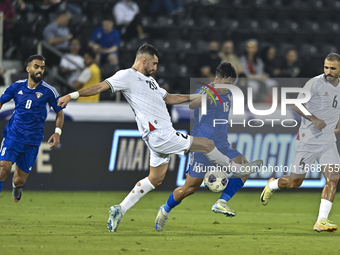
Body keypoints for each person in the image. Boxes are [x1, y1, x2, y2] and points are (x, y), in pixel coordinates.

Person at [57, 44, 263, 233]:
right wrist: (72, 95)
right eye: (154, 63)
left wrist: (197, 96)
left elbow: (172, 98)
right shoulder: (127, 76)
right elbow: (100, 87)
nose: (156, 67)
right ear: (144, 60)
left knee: (155, 179)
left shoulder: (151, 82)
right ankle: (234, 169)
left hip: (160, 136)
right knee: (207, 145)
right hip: (160, 134)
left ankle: (120, 208)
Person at [154, 61, 253, 232]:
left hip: (222, 145)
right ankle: (164, 210)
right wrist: (203, 99)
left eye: (231, 84)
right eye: (226, 83)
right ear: (216, 79)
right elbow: (192, 105)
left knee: (244, 167)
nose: (228, 87)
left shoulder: (228, 95)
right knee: (189, 188)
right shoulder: (206, 91)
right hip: (203, 147)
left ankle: (221, 202)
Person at [260, 53, 340, 233]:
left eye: (333, 68)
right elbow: (297, 105)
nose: (328, 71)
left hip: (328, 141)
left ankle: (321, 220)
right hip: (308, 141)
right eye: (326, 67)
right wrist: (313, 118)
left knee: (333, 179)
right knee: (295, 182)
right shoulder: (315, 83)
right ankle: (272, 184)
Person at [0, 55, 64, 202]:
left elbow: (60, 114)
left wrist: (57, 132)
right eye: (36, 67)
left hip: (32, 141)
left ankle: (17, 187)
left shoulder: (49, 91)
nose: (40, 70)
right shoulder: (16, 87)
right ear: (28, 68)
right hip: (13, 136)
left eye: (42, 67)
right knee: (2, 170)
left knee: (19, 180)